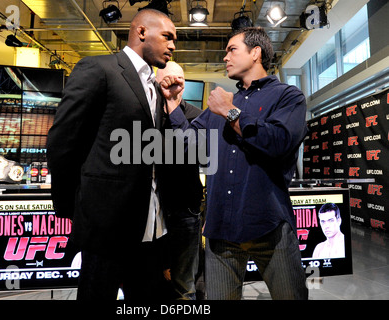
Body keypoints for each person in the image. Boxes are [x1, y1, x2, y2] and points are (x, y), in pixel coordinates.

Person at [160, 27, 309, 300]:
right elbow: (186, 145)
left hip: (270, 225)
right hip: (222, 230)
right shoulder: (221, 103)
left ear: (255, 53)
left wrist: (230, 113)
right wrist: (172, 104)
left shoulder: (287, 97)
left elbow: (279, 142)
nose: (225, 57)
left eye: (232, 50)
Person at [46, 9, 177, 300]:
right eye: (167, 37)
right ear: (141, 32)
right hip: (106, 226)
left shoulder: (154, 88)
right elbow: (62, 141)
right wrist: (74, 208)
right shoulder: (99, 69)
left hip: (150, 226)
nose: (173, 46)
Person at [155, 61, 204, 300]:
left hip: (185, 210)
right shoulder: (148, 116)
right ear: (157, 83)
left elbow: (199, 152)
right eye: (169, 79)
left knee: (184, 285)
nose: (176, 84)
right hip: (151, 211)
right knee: (151, 280)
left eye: (180, 80)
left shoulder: (196, 117)